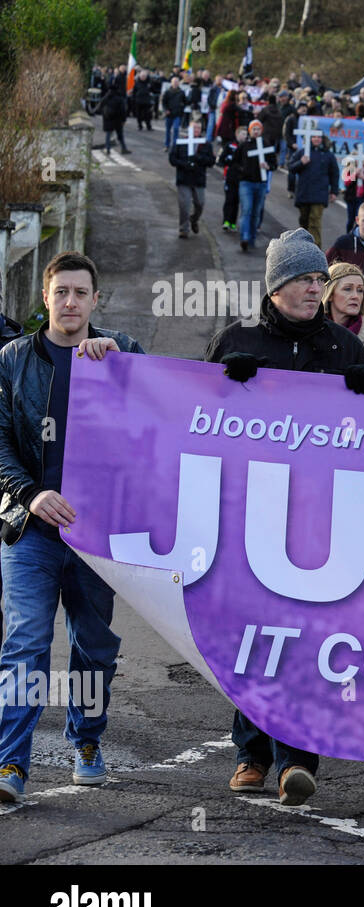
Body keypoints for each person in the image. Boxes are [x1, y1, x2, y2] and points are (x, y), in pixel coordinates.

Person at [205, 229, 364, 807]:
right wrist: (223, 384)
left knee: (307, 639)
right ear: (276, 287)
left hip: (322, 516)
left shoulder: (343, 348)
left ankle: (297, 760)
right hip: (251, 514)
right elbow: (192, 419)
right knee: (255, 637)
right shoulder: (238, 338)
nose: (314, 289)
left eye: (318, 280)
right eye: (304, 280)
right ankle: (250, 754)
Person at [0, 252, 144, 804]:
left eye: (80, 293)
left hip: (95, 533)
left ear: (95, 300)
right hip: (30, 531)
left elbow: (155, 424)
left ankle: (86, 742)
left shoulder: (122, 354)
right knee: (26, 643)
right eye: (60, 292)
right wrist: (30, 493)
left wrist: (120, 368)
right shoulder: (13, 359)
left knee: (94, 647)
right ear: (45, 297)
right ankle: (11, 763)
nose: (70, 302)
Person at [323, 261, 364, 376]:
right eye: (348, 289)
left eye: (360, 290)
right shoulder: (309, 328)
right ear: (330, 294)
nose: (355, 296)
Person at [287, 127, 340, 247]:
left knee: (315, 222)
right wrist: (301, 162)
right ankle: (303, 249)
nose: (316, 139)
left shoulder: (328, 155)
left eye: (319, 137)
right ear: (310, 138)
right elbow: (290, 167)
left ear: (322, 139)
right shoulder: (302, 152)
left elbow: (334, 174)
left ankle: (316, 251)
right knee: (304, 223)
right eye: (314, 137)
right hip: (304, 192)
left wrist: (334, 191)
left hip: (319, 194)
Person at [168, 119, 216, 240]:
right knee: (184, 205)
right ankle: (183, 229)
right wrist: (185, 164)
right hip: (184, 179)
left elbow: (211, 161)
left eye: (198, 128)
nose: (196, 130)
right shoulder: (181, 142)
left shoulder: (205, 143)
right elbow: (172, 159)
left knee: (200, 204)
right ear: (189, 129)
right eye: (194, 128)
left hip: (198, 179)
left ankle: (194, 219)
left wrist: (198, 158)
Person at [234, 119, 277, 252]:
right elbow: (235, 163)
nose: (256, 131)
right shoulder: (244, 145)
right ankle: (244, 238)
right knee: (246, 209)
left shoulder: (266, 145)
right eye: (254, 129)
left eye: (258, 129)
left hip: (261, 183)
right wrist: (243, 170)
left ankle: (252, 238)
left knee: (256, 212)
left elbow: (274, 164)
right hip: (246, 183)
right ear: (250, 131)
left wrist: (268, 166)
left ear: (261, 130)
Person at [218, 126, 246, 233]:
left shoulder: (246, 147)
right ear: (237, 134)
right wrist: (228, 162)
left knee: (236, 201)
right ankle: (226, 221)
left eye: (245, 134)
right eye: (242, 134)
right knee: (229, 199)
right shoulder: (230, 145)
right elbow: (221, 160)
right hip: (229, 177)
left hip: (241, 179)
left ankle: (233, 223)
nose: (244, 136)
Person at [341, 156, 364, 229]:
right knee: (351, 219)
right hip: (351, 198)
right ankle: (349, 235)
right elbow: (346, 183)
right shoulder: (350, 169)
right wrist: (355, 173)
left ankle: (359, 235)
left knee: (360, 218)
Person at [162, 76, 188, 149]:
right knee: (168, 130)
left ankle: (175, 145)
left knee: (176, 129)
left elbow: (185, 102)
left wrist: (181, 109)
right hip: (169, 114)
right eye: (174, 82)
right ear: (171, 83)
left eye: (177, 82)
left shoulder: (181, 92)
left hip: (177, 114)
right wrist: (166, 110)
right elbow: (164, 102)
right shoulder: (167, 92)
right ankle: (167, 145)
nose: (175, 83)